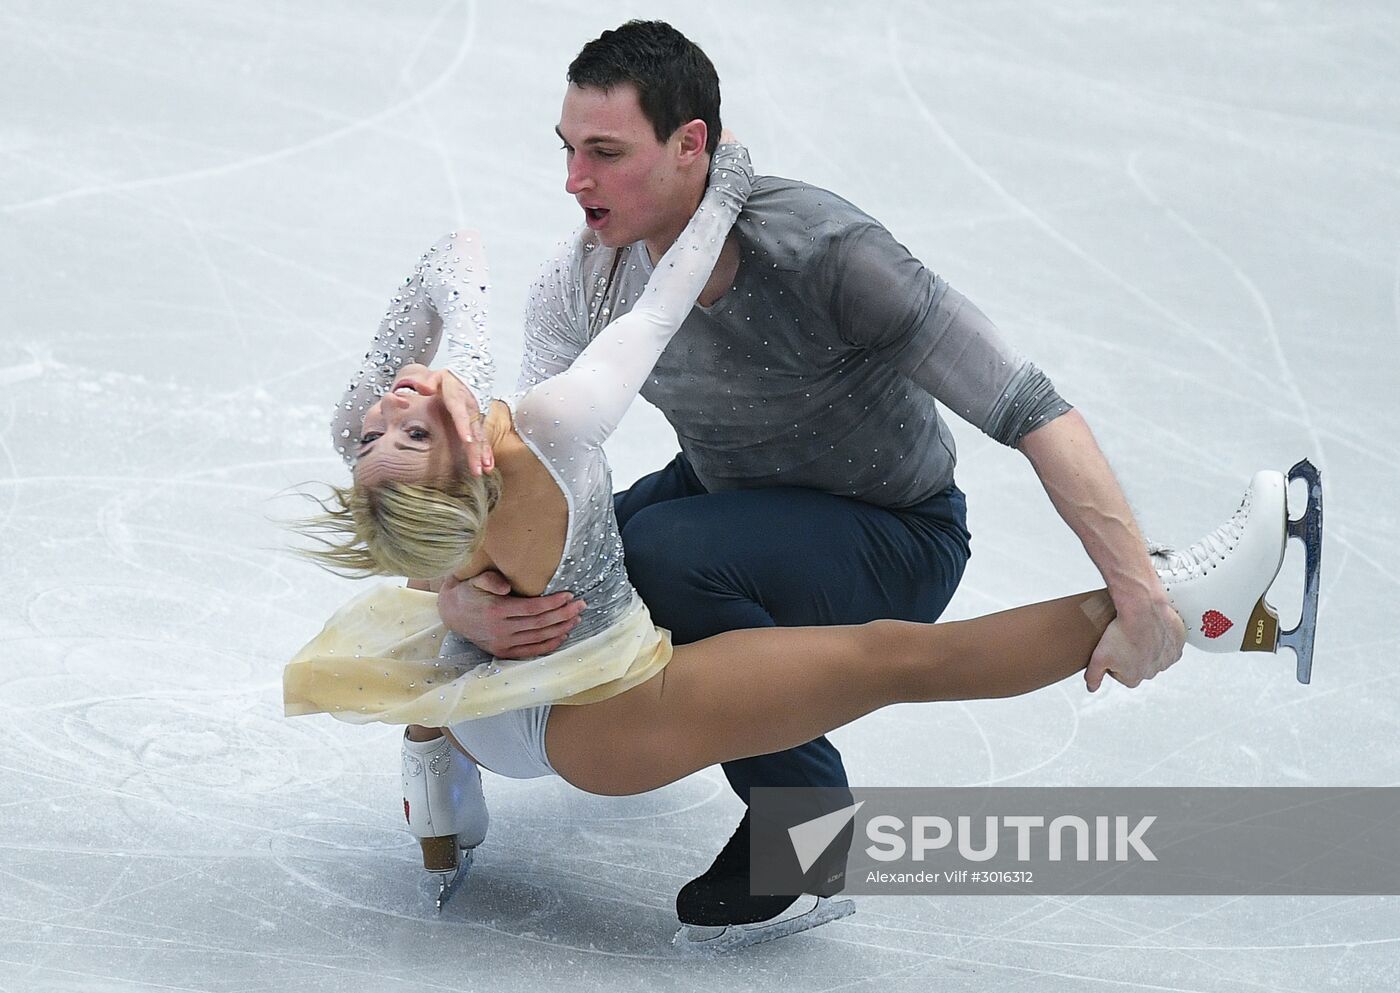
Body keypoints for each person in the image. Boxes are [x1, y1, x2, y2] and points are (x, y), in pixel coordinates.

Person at [286, 141, 1302, 946]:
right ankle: (1201, 606)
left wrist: (437, 558)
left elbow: (407, 480)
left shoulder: (420, 515)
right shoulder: (549, 424)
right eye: (401, 428)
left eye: (383, 427)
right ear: (462, 458)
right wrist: (719, 188)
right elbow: (623, 300)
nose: (391, 410)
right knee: (900, 662)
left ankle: (439, 802)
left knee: (463, 628)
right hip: (596, 718)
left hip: (478, 708)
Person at [430, 20, 1187, 930]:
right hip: (732, 495)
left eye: (604, 152)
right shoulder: (584, 278)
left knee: (664, 555)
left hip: (894, 531)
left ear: (690, 145)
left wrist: (1139, 592)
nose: (573, 181)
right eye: (567, 150)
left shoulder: (827, 251)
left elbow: (1032, 407)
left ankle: (809, 834)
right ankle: (438, 754)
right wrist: (462, 597)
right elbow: (528, 477)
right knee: (580, 573)